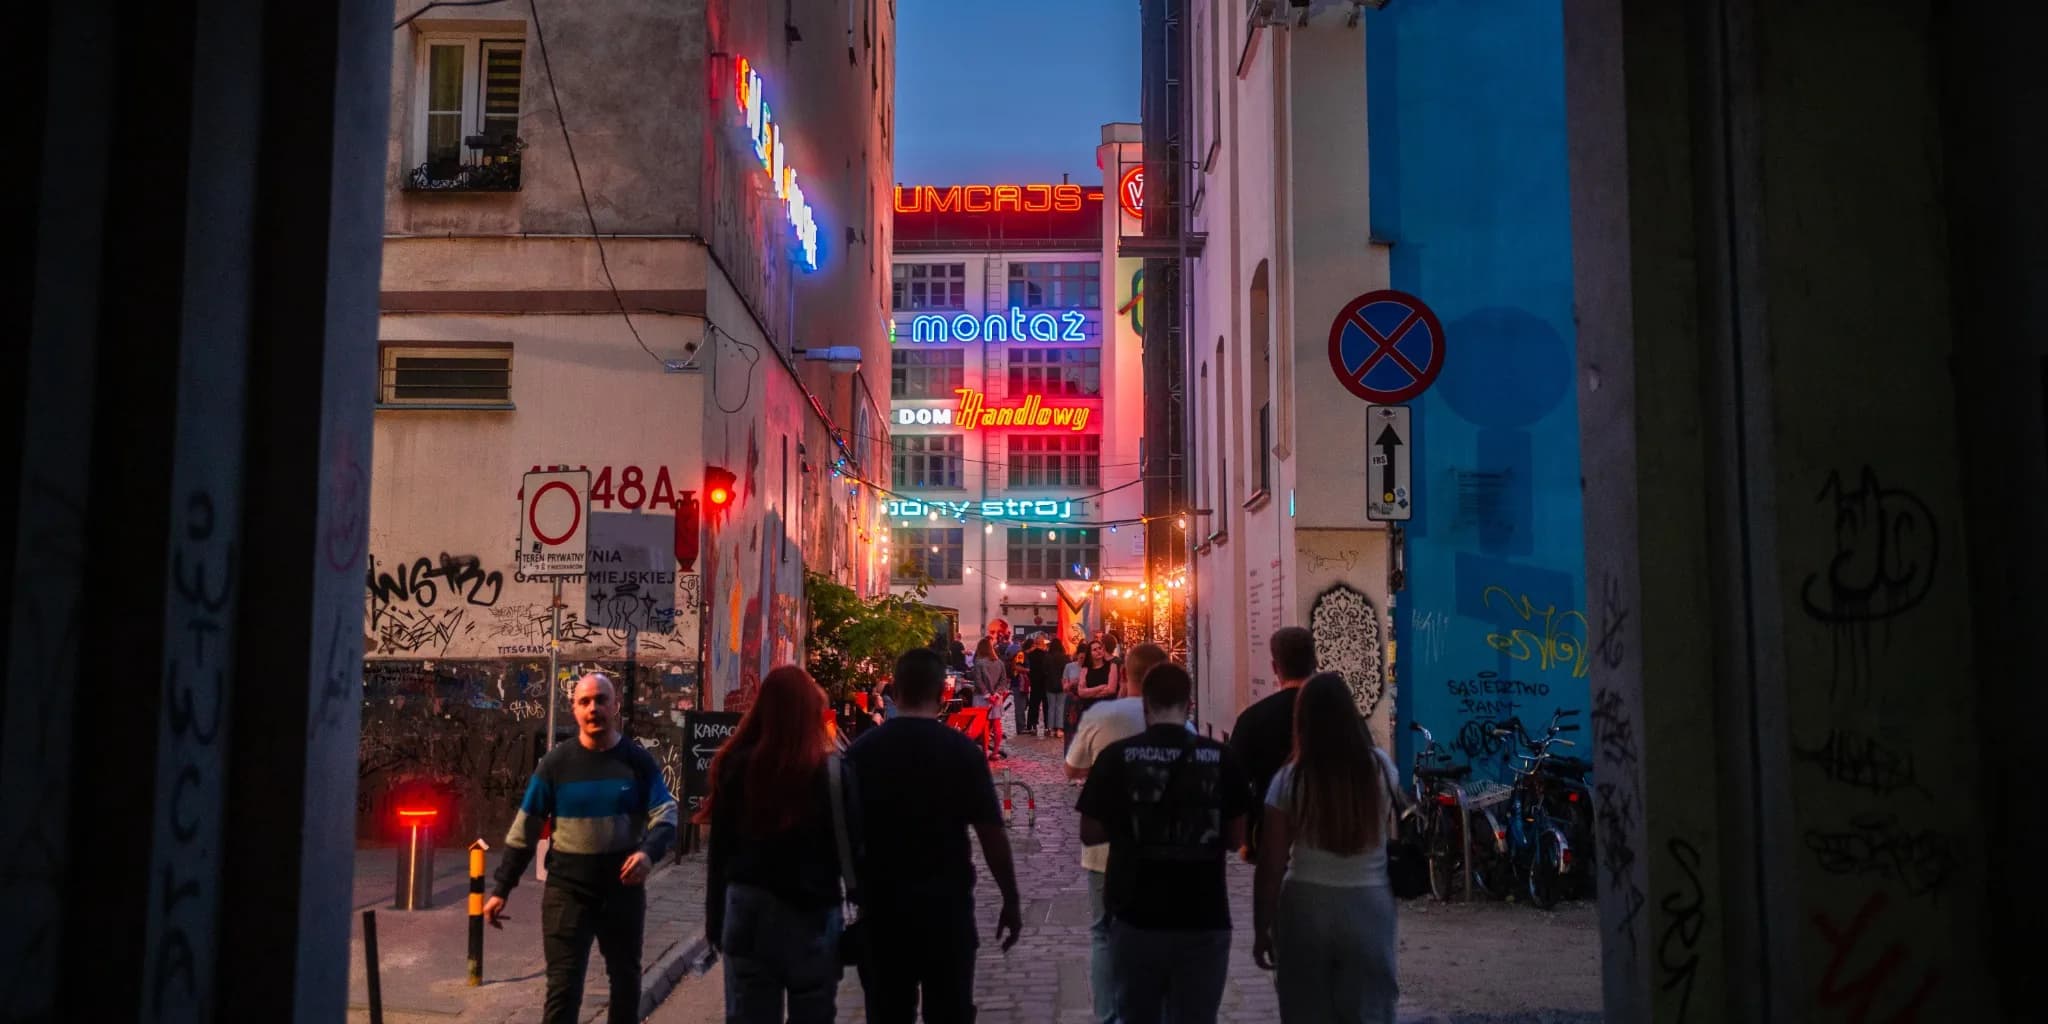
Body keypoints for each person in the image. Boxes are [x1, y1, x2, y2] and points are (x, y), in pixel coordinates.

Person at [483, 673, 678, 1024]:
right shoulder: (556, 764)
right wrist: (502, 888)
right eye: (585, 701)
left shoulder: (636, 761)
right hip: (567, 893)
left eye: (601, 700)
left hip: (622, 892)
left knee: (626, 983)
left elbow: (666, 810)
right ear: (573, 709)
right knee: (563, 988)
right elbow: (524, 827)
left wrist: (649, 852)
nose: (594, 708)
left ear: (615, 706)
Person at [845, 647, 1024, 1022]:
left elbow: (841, 831)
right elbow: (991, 834)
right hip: (946, 909)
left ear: (894, 691)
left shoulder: (862, 753)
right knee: (951, 1010)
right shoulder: (962, 752)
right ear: (943, 693)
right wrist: (1010, 898)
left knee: (888, 1013)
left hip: (883, 910)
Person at [1078, 663, 1254, 1024]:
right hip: (1203, 912)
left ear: (1145, 705)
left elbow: (1090, 832)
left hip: (1134, 910)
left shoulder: (1117, 757)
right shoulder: (1220, 757)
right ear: (1189, 705)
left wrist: (1132, 829)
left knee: (1137, 1014)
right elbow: (1238, 836)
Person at [1251, 672, 1406, 1023]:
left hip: (1305, 905)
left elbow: (1272, 863)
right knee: (1367, 1010)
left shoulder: (1290, 779)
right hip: (1368, 902)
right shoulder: (1381, 769)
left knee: (1305, 1010)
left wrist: (1262, 927)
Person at [699, 666, 849, 1023]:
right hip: (811, 911)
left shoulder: (735, 765)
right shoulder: (826, 771)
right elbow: (848, 846)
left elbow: (719, 851)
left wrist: (714, 920)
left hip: (748, 910)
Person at [1063, 641, 1172, 1023]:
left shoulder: (1104, 715)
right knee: (1159, 931)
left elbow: (1071, 769)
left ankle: (1109, 1015)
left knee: (1103, 934)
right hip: (1161, 844)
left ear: (1125, 673)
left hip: (1106, 845)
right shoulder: (1176, 720)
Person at [1229, 626, 1319, 862]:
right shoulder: (1340, 717)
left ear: (1275, 667)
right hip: (1329, 833)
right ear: (1315, 662)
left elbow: (1234, 784)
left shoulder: (1253, 719)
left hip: (1272, 835)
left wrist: (1245, 836)